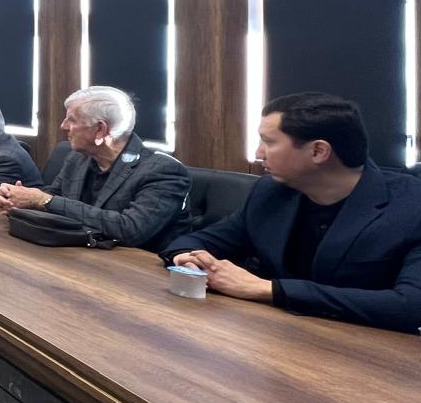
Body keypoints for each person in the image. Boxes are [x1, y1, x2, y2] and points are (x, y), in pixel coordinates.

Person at [162, 93, 421, 331]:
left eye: (268, 142)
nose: (258, 153)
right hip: (277, 336)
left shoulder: (411, 206)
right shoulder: (270, 192)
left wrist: (269, 289)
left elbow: (410, 306)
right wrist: (190, 259)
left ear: (318, 151)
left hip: (368, 352)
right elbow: (196, 241)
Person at [0, 86, 190, 251]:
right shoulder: (77, 159)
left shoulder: (163, 171)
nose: (63, 126)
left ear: (100, 129)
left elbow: (130, 230)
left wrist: (42, 200)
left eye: (72, 120)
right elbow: (54, 197)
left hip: (136, 272)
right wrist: (21, 201)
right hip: (77, 256)